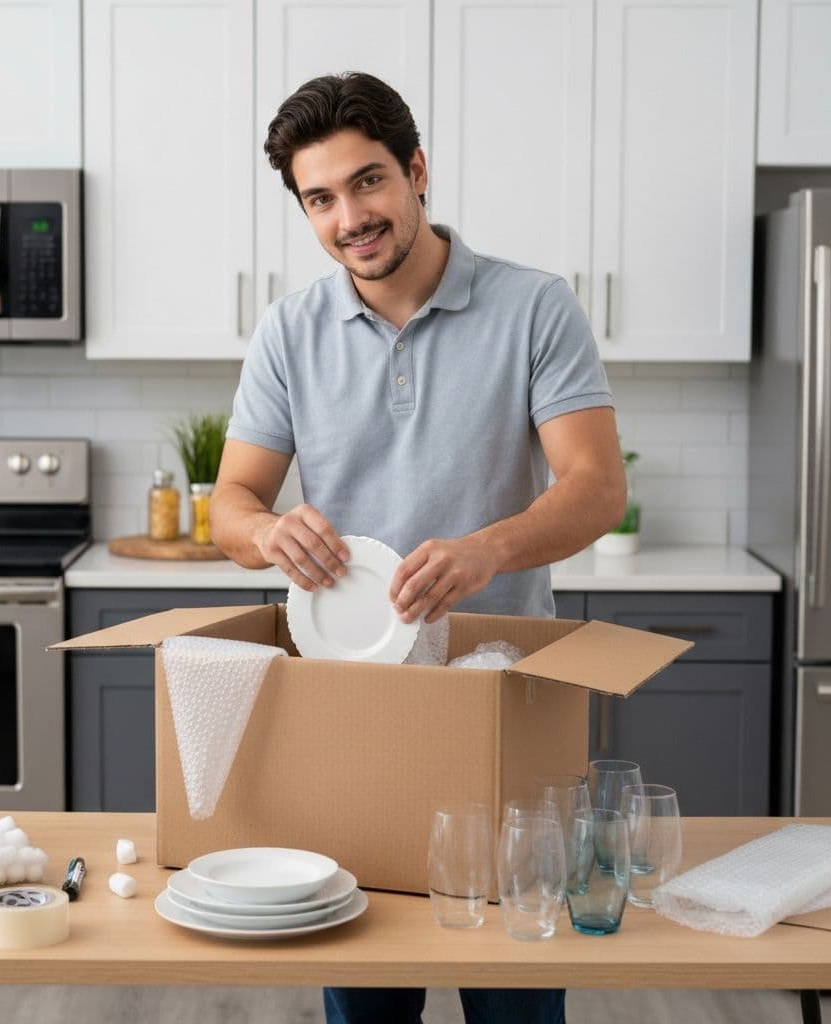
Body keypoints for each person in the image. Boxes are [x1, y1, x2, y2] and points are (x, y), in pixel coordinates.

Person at [211, 72, 625, 1024]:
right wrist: (269, 529)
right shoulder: (289, 331)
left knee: (517, 999)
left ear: (417, 172)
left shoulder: (534, 308)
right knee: (364, 1000)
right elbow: (231, 502)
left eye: (368, 183)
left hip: (505, 700)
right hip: (358, 707)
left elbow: (597, 488)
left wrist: (486, 549)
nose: (350, 216)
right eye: (320, 198)